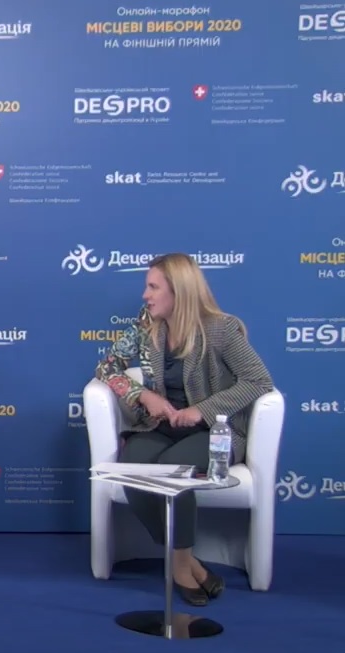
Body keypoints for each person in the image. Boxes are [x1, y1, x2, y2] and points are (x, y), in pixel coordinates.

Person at [96, 253, 274, 606]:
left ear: (179, 291)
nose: (145, 295)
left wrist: (200, 411)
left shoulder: (221, 330)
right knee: (134, 472)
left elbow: (258, 381)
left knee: (171, 472)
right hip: (161, 426)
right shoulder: (147, 324)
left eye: (153, 287)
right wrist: (143, 394)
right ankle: (189, 562)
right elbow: (107, 367)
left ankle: (178, 568)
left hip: (213, 432)